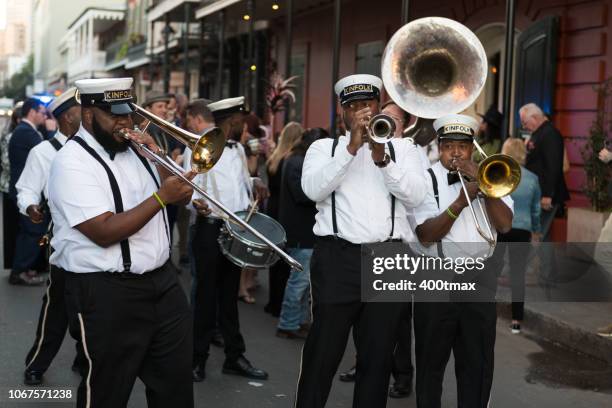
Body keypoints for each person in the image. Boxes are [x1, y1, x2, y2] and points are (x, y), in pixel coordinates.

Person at [48, 77, 195, 407]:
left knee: (175, 387)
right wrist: (161, 197)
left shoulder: (134, 150)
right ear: (88, 115)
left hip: (163, 285)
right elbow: (104, 232)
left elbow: (179, 198)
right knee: (107, 391)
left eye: (128, 115)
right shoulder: (71, 162)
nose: (125, 123)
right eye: (115, 116)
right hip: (106, 292)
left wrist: (158, 160)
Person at [296, 74, 427, 408]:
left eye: (366, 105)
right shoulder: (324, 148)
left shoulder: (405, 149)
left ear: (377, 106)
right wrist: (352, 149)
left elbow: (415, 196)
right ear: (342, 113)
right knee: (323, 352)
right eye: (352, 107)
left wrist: (382, 157)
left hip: (388, 257)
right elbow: (312, 189)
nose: (361, 113)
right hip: (338, 258)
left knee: (378, 358)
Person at [410, 113, 513, 408]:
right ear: (439, 148)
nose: (456, 152)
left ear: (472, 149)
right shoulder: (426, 180)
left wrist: (484, 188)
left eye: (463, 146)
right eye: (449, 146)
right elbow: (426, 235)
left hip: (480, 280)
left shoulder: (493, 176)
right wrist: (459, 201)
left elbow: (505, 225)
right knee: (431, 364)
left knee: (477, 365)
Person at [189, 96, 269, 383]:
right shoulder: (203, 147)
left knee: (228, 298)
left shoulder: (235, 149)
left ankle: (234, 356)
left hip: (234, 229)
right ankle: (196, 359)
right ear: (230, 121)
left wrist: (253, 182)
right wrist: (196, 203)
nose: (244, 127)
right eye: (240, 122)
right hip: (210, 229)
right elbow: (190, 187)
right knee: (205, 299)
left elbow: (235, 185)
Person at [19, 88, 85, 385]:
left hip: (101, 243)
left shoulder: (94, 150)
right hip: (64, 242)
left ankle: (85, 359)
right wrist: (31, 206)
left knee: (93, 307)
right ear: (67, 118)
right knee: (57, 307)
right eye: (81, 114)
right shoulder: (43, 152)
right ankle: (36, 364)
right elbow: (27, 190)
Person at [276, 127, 328, 339]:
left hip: (305, 231)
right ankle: (288, 323)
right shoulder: (297, 162)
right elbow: (302, 194)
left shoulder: (298, 159)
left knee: (306, 283)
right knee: (299, 282)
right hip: (300, 231)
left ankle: (299, 321)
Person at [520, 103, 569, 286]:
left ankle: (524, 273)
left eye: (525, 122)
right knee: (542, 236)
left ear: (535, 117)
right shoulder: (540, 132)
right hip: (539, 193)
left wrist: (547, 194)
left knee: (537, 235)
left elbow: (553, 166)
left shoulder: (550, 134)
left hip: (546, 195)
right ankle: (547, 276)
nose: (524, 126)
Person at [496, 137, 541, 334]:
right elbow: (536, 209)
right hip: (522, 229)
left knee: (492, 270)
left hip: (500, 226)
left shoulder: (499, 174)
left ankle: (486, 309)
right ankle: (516, 320)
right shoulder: (532, 178)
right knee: (518, 274)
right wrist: (536, 230)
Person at [264, 121, 304, 315]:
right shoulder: (292, 160)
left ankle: (273, 301)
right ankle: (280, 304)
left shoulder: (274, 158)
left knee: (276, 259)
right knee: (285, 261)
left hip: (272, 209)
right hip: (285, 210)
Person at [8, 98, 49, 285]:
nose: (44, 116)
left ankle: (27, 267)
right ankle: (20, 271)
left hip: (26, 189)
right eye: (42, 111)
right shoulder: (26, 132)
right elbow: (49, 151)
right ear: (32, 112)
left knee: (31, 232)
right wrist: (50, 131)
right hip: (26, 191)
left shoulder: (26, 131)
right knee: (33, 232)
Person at [1, 104, 22, 270]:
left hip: (14, 187)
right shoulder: (10, 137)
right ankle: (15, 265)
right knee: (13, 230)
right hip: (10, 188)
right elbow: (7, 163)